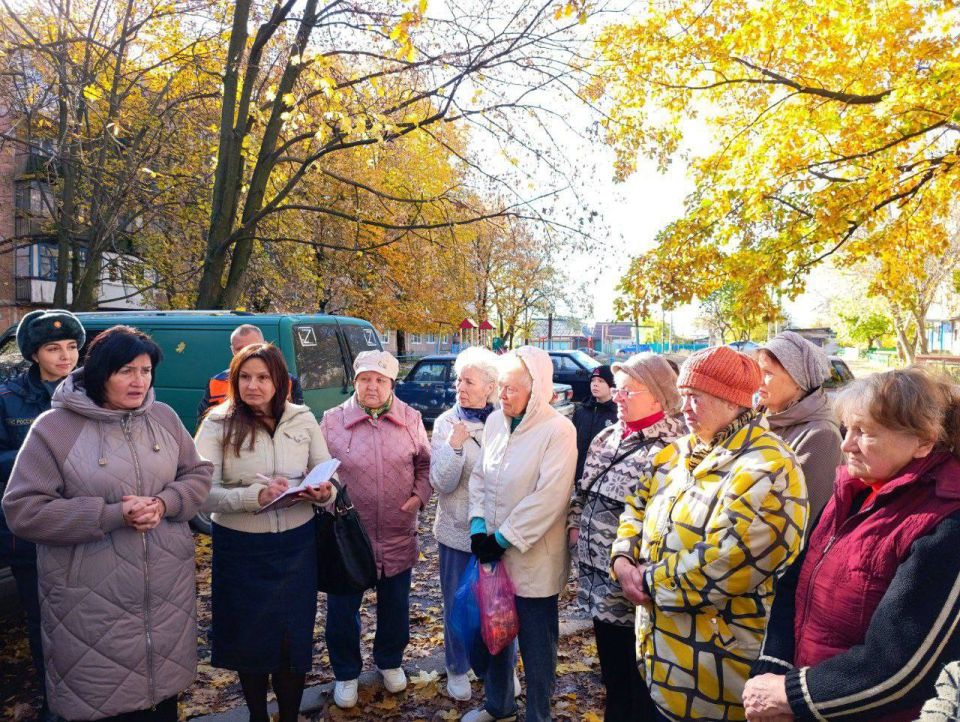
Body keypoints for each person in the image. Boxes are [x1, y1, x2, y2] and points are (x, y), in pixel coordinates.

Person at [2, 325, 213, 722]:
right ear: (101, 372)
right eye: (126, 371)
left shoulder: (163, 418)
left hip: (166, 602)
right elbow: (23, 510)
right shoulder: (55, 428)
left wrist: (165, 503)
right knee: (105, 707)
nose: (139, 381)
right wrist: (111, 515)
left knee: (163, 705)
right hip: (90, 607)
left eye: (146, 371)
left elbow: (198, 475)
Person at [744, 368, 960, 722]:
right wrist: (774, 667)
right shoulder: (855, 491)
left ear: (923, 441)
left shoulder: (946, 521)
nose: (846, 445)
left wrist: (793, 694)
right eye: (847, 429)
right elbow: (794, 583)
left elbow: (902, 666)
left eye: (866, 433)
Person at [611, 345, 808, 722]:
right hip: (661, 663)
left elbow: (727, 564)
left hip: (717, 678)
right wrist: (622, 559)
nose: (683, 407)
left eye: (695, 397)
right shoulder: (678, 452)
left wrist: (645, 581)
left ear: (732, 401)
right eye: (683, 395)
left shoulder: (769, 467)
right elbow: (636, 504)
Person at [195, 343, 335, 722]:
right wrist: (252, 497)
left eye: (262, 377)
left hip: (295, 547)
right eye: (244, 377)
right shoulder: (217, 423)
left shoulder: (303, 418)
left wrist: (324, 492)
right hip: (242, 549)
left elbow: (326, 470)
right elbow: (200, 491)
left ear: (280, 381)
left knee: (293, 640)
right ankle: (258, 715)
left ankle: (288, 716)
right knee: (251, 641)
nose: (253, 386)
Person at [567, 353, 685, 722]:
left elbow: (668, 525)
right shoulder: (607, 435)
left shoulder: (675, 448)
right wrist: (574, 525)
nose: (617, 398)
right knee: (613, 677)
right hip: (595, 582)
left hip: (634, 589)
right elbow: (582, 489)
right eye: (617, 391)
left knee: (642, 685)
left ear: (658, 396)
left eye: (627, 392)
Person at [463, 346, 577, 722]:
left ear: (537, 388)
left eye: (512, 388)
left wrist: (501, 538)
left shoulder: (558, 430)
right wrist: (479, 525)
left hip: (533, 558)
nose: (503, 395)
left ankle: (538, 715)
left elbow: (549, 498)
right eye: (501, 387)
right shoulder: (496, 422)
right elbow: (480, 476)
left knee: (536, 646)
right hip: (493, 554)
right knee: (494, 636)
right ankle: (499, 705)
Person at [320, 350, 431, 709]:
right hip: (348, 535)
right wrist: (328, 498)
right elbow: (318, 468)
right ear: (354, 382)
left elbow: (425, 465)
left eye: (380, 380)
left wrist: (418, 496)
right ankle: (346, 673)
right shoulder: (332, 421)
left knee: (396, 605)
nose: (372, 386)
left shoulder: (411, 419)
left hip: (398, 529)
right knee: (342, 609)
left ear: (391, 385)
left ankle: (390, 661)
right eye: (365, 379)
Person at [0, 309, 85, 721]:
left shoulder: (93, 390)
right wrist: (39, 456)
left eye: (71, 347)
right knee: (42, 621)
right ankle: (54, 702)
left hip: (85, 525)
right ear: (35, 354)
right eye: (54, 348)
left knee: (84, 619)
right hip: (30, 533)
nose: (65, 356)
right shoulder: (8, 398)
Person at [429, 346, 499, 701]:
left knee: (497, 604)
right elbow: (440, 482)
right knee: (456, 604)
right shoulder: (445, 423)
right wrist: (454, 446)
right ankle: (457, 667)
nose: (461, 386)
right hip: (456, 533)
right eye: (459, 379)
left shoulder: (503, 421)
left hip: (494, 535)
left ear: (489, 386)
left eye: (469, 380)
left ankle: (494, 670)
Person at [757, 330, 844, 519]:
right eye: (758, 371)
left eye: (768, 373)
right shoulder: (758, 416)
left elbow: (806, 518)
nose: (758, 380)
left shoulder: (821, 436)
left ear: (799, 381)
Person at [197, 324, 303, 423]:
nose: (248, 353)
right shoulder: (216, 382)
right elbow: (204, 424)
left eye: (254, 347)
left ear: (265, 345)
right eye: (240, 349)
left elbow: (297, 423)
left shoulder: (288, 381)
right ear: (233, 351)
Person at [571, 364, 618, 480]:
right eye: (593, 380)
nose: (595, 384)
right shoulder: (581, 411)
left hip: (604, 478)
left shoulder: (618, 414)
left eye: (601, 381)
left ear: (611, 386)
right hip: (579, 475)